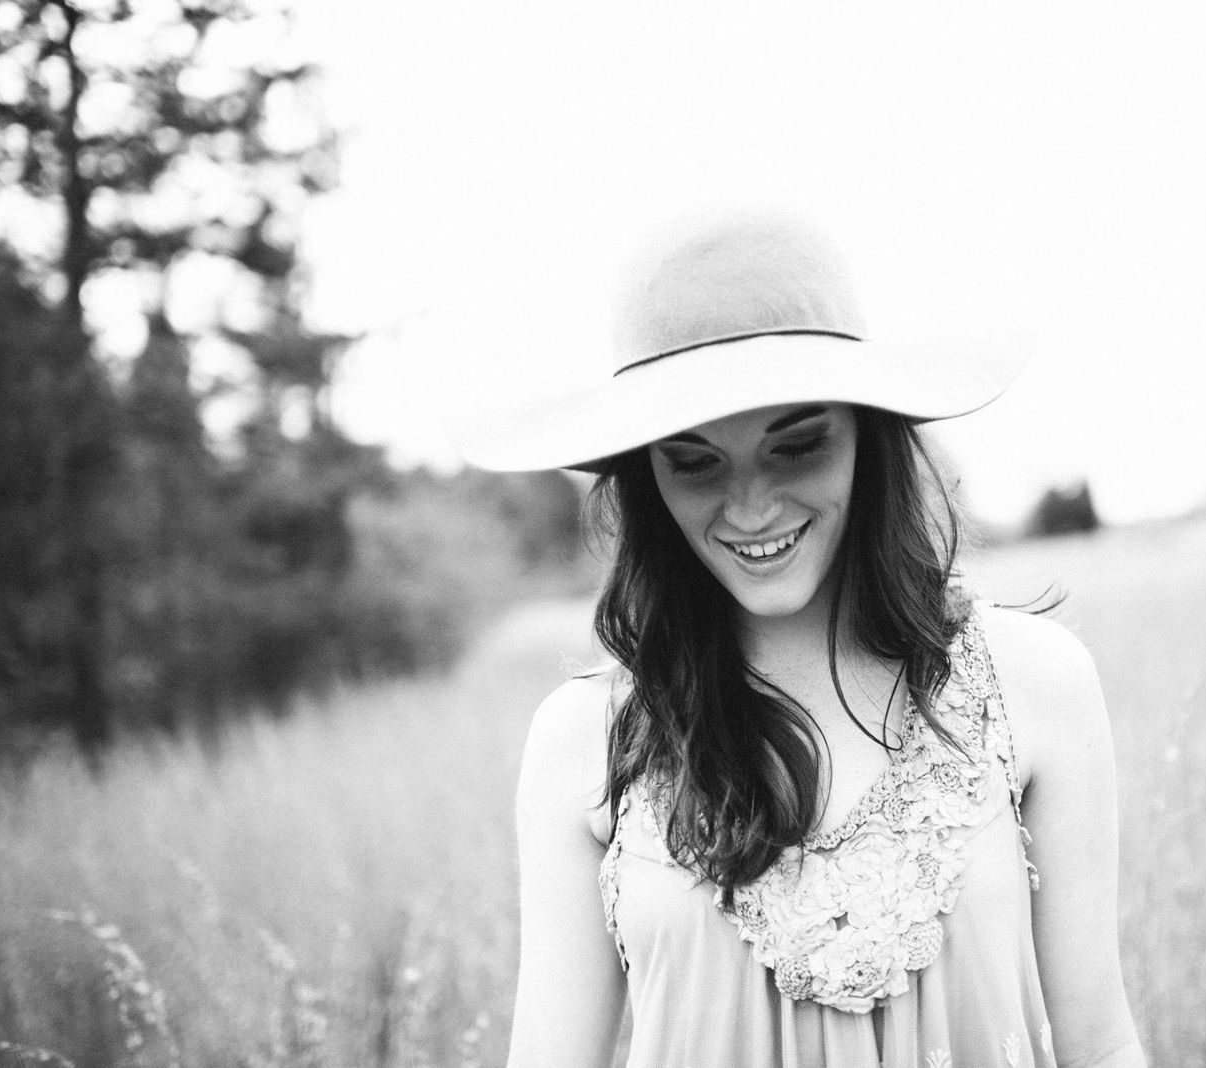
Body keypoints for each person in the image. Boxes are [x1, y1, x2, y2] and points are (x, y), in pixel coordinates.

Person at [471, 208, 1145, 1068]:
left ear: (867, 432)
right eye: (695, 461)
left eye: (795, 446)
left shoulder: (1034, 686)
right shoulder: (585, 742)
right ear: (648, 478)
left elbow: (1101, 1043)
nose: (751, 509)